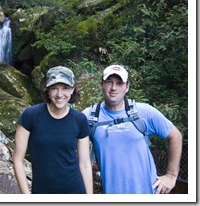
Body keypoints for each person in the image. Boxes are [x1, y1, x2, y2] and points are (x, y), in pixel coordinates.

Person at [82, 64, 183, 194]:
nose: (113, 88)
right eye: (109, 82)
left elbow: (175, 136)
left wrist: (171, 175)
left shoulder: (144, 112)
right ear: (101, 84)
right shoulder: (89, 116)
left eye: (119, 83)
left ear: (127, 87)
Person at [13, 66, 93, 194]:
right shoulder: (31, 115)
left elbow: (85, 164)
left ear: (73, 89)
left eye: (65, 88)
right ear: (47, 90)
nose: (60, 94)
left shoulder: (79, 119)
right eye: (54, 88)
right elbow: (18, 159)